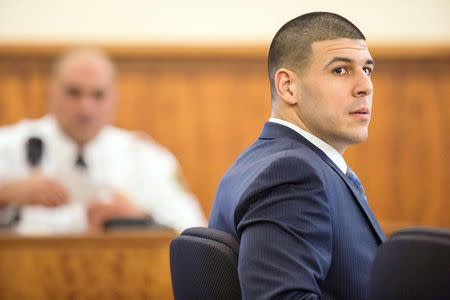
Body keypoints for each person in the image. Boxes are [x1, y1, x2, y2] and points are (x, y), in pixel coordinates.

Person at [209, 12, 386, 300]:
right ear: (288, 86)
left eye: (367, 69)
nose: (365, 86)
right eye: (340, 70)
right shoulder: (292, 174)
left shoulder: (258, 162)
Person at [0, 48, 206, 234]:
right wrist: (6, 194)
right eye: (74, 93)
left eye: (98, 95)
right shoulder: (9, 147)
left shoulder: (145, 158)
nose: (85, 108)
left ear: (114, 98)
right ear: (51, 92)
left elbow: (191, 232)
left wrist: (140, 221)